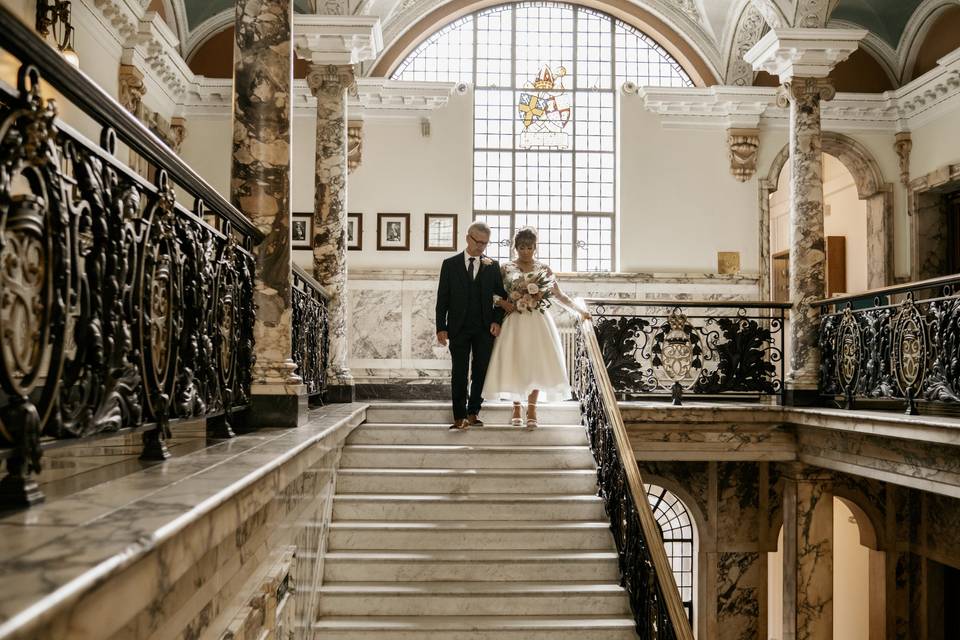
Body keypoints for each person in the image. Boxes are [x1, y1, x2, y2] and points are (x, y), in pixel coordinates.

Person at [482, 226, 591, 428]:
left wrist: (579, 310)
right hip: (514, 320)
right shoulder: (506, 268)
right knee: (515, 361)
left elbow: (558, 295)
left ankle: (531, 407)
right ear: (516, 247)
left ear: (535, 247)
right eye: (521, 247)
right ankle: (516, 406)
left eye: (529, 247)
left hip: (537, 321)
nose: (525, 251)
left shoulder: (543, 269)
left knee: (535, 363)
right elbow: (493, 294)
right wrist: (503, 303)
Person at [436, 221, 508, 430]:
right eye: (478, 242)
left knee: (480, 371)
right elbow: (443, 298)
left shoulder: (492, 266)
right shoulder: (449, 265)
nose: (481, 247)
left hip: (485, 328)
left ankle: (473, 412)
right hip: (458, 327)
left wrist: (496, 320)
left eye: (485, 244)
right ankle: (459, 417)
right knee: (459, 372)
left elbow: (500, 296)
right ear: (468, 238)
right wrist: (441, 327)